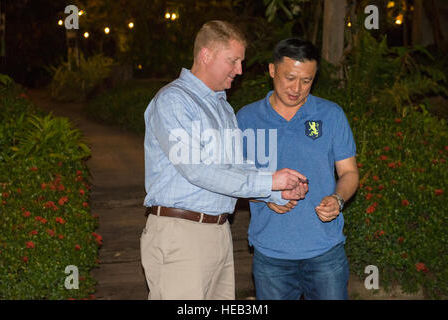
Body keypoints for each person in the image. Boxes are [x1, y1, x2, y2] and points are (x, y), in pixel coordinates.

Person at [141, 22, 308, 300]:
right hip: (181, 235)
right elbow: (197, 171)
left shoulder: (222, 106)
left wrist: (277, 191)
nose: (239, 70)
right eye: (233, 61)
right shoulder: (174, 101)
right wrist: (269, 181)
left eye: (241, 62)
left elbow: (235, 168)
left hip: (219, 232)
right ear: (206, 55)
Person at [236, 38, 359, 300]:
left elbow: (349, 173)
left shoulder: (331, 114)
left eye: (306, 81)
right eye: (289, 78)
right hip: (271, 255)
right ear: (272, 70)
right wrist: (264, 195)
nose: (296, 88)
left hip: (325, 251)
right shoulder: (246, 118)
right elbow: (233, 179)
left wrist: (338, 199)